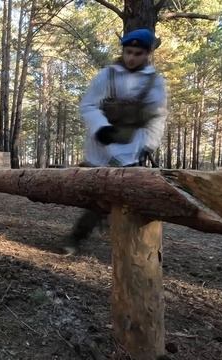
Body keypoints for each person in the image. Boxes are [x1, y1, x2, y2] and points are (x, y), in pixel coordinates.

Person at [63, 28, 168, 255]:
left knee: (124, 196)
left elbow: (157, 116)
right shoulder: (106, 76)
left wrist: (149, 144)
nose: (131, 58)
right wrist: (100, 127)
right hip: (101, 146)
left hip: (132, 147)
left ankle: (128, 244)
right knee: (97, 197)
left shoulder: (154, 82)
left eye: (137, 53)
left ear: (147, 53)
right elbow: (88, 105)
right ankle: (76, 237)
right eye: (128, 51)